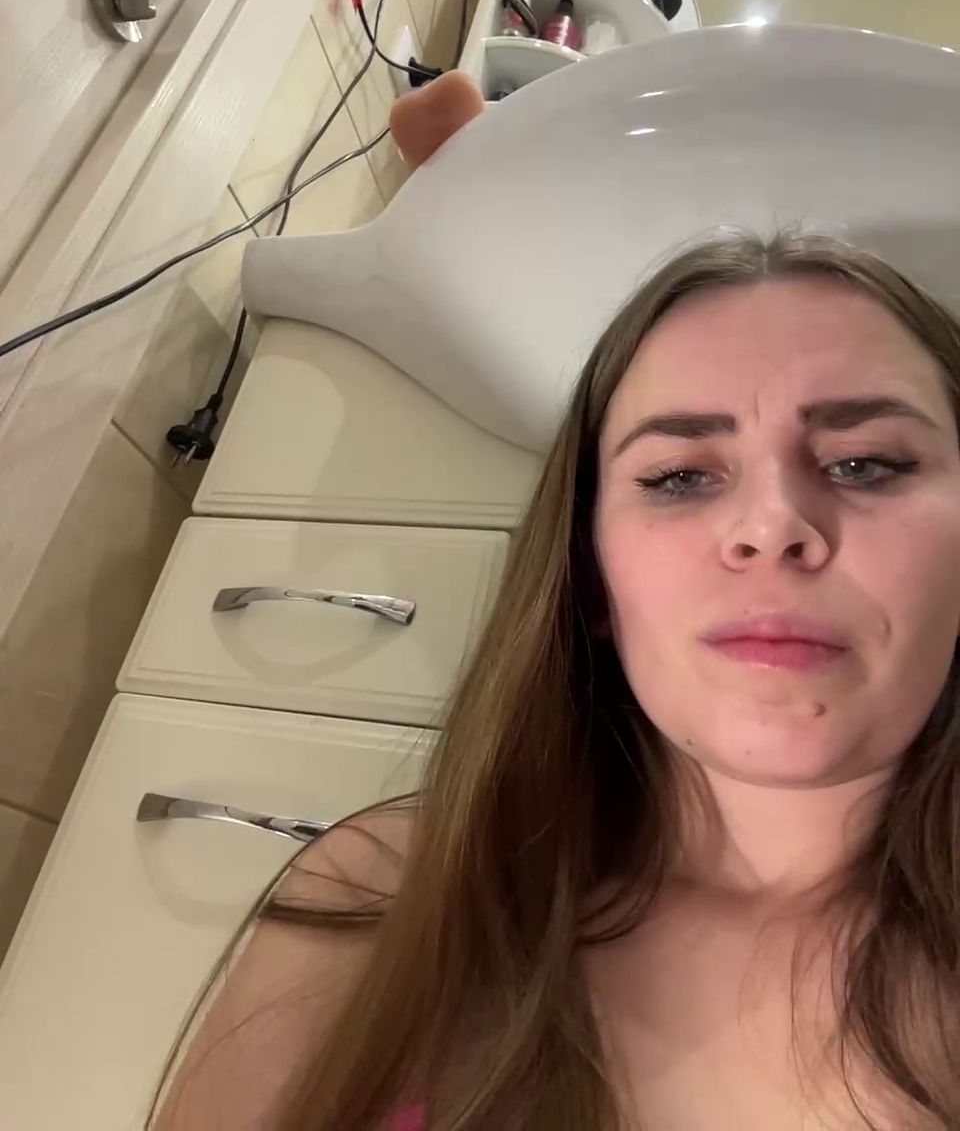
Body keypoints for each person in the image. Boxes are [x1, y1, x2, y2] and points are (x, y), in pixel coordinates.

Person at [153, 71, 960, 1130]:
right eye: (680, 475)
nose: (770, 525)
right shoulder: (381, 894)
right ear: (589, 578)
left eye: (864, 462)